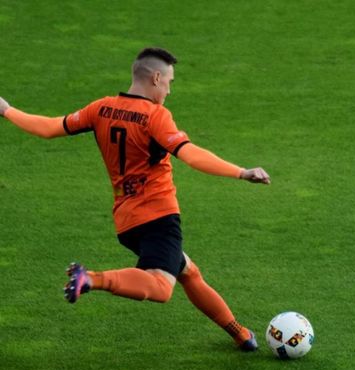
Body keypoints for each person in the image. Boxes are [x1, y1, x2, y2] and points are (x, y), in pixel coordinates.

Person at [0, 47, 270, 351]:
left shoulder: (101, 108)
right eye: (169, 82)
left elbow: (50, 128)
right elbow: (191, 155)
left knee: (188, 271)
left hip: (127, 222)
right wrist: (241, 172)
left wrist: (7, 110)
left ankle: (240, 333)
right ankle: (90, 279)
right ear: (155, 78)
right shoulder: (155, 116)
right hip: (159, 218)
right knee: (161, 286)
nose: (169, 90)